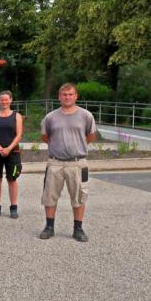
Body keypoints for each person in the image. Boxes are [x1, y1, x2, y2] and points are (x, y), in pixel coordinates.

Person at [39, 83, 97, 242]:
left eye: (70, 94)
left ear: (76, 96)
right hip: (55, 163)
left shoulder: (86, 116)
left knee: (79, 196)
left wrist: (77, 146)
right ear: (59, 97)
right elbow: (45, 137)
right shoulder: (50, 117)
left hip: (77, 163)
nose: (67, 97)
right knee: (49, 195)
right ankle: (49, 227)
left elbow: (90, 136)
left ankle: (78, 229)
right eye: (64, 94)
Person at [0, 90, 24, 218]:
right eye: (2, 99)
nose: (4, 102)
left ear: (11, 100)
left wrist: (8, 148)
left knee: (12, 180)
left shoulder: (17, 116)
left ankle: (13, 207)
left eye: (6, 99)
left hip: (13, 152)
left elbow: (19, 135)